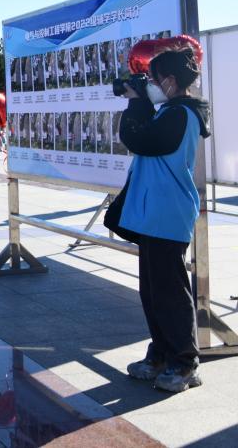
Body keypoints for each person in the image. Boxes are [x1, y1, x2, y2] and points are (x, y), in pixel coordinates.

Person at [118, 45, 210, 393]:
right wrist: (141, 101)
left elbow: (138, 139)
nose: (150, 85)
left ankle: (184, 362)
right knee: (153, 292)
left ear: (170, 81)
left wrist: (135, 103)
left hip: (168, 213)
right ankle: (160, 354)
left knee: (170, 292)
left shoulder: (181, 114)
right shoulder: (171, 111)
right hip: (155, 213)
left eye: (153, 80)